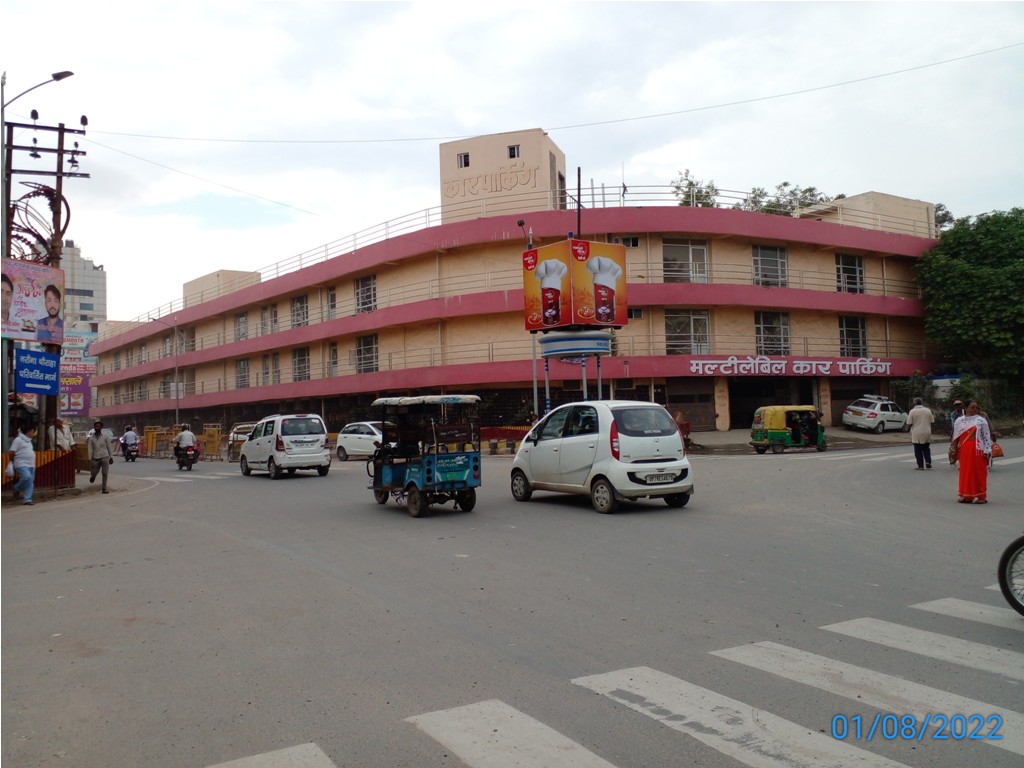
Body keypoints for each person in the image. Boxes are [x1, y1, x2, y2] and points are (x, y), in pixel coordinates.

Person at [951, 401, 992, 504]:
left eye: (976, 407)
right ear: (966, 408)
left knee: (979, 472)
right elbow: (955, 436)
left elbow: (986, 436)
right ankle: (966, 495)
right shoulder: (959, 420)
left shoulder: (980, 420)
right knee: (966, 471)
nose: (975, 409)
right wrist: (953, 448)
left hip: (978, 449)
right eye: (972, 407)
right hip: (964, 449)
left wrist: (987, 450)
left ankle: (981, 496)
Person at [8, 423, 37, 505]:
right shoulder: (18, 440)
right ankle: (17, 488)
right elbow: (12, 451)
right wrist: (12, 460)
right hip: (21, 463)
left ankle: (27, 499)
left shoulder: (29, 441)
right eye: (32, 431)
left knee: (30, 482)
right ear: (28, 432)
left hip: (31, 464)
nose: (33, 433)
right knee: (26, 477)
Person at [86, 419, 115, 493]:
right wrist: (89, 458)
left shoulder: (105, 437)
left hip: (105, 457)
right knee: (95, 471)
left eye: (99, 426)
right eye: (96, 426)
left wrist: (111, 457)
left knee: (105, 473)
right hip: (95, 458)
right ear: (94, 427)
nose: (97, 427)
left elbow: (109, 447)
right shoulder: (91, 438)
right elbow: (90, 448)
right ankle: (93, 477)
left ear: (101, 427)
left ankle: (104, 489)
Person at [906, 397, 935, 470]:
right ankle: (928, 461)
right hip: (927, 431)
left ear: (914, 403)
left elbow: (909, 422)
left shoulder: (912, 411)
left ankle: (920, 465)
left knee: (918, 450)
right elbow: (932, 421)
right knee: (926, 448)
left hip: (917, 432)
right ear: (921, 402)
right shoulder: (927, 410)